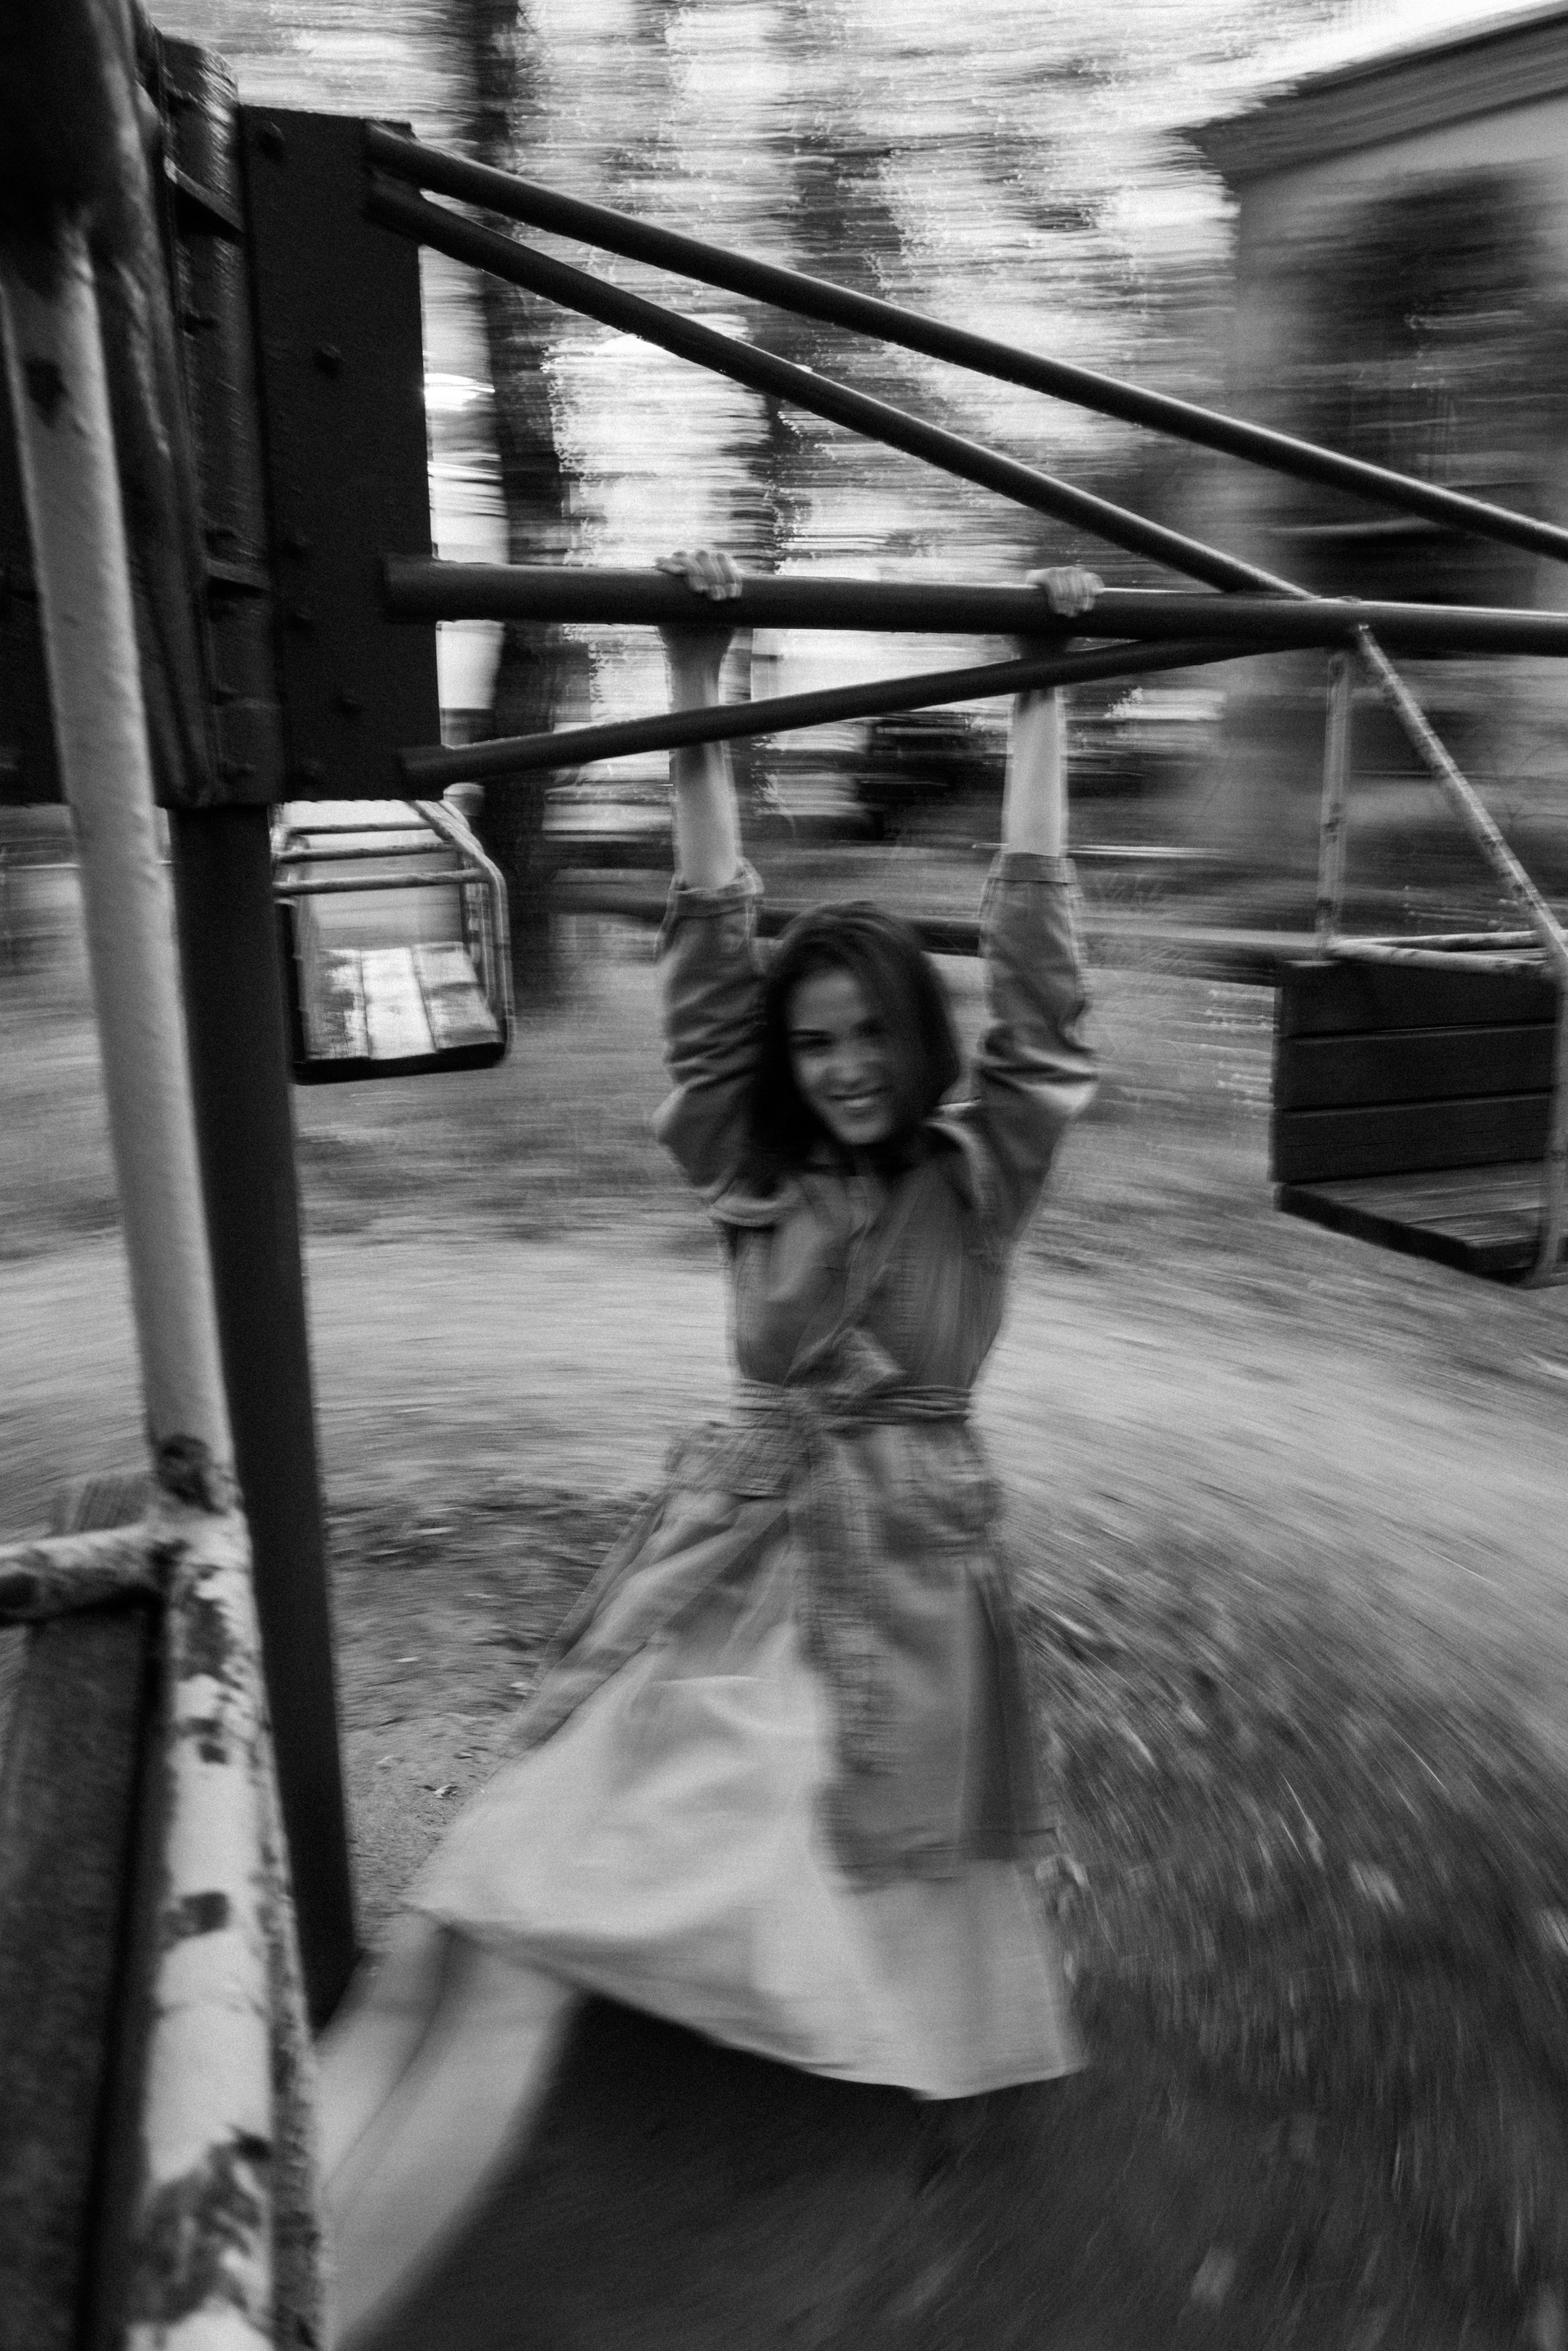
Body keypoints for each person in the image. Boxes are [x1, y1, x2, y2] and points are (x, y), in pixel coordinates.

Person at [318, 549, 1101, 2347]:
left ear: (918, 1038)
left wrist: (1039, 693)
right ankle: (321, 2224)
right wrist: (696, 669)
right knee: (525, 1872)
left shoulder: (975, 1181)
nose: (841, 1063)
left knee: (781, 1848)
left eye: (869, 1033)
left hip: (893, 1569)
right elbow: (705, 962)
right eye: (813, 1040)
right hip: (731, 1549)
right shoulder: (754, 1177)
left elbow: (1049, 998)